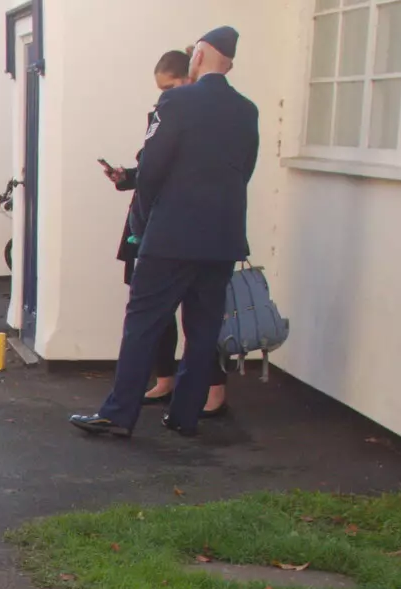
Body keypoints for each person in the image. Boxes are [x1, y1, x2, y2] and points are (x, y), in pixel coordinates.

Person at [71, 26, 257, 440]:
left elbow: (152, 170)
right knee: (203, 326)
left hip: (172, 236)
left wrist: (146, 217)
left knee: (143, 322)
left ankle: (119, 414)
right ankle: (184, 416)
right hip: (222, 238)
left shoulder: (175, 101)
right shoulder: (247, 110)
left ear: (202, 54)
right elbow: (245, 169)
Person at [105, 51, 227, 418]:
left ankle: (213, 388)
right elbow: (153, 168)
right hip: (147, 224)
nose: (163, 96)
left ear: (190, 77)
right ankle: (166, 379)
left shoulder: (208, 122)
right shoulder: (164, 115)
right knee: (155, 315)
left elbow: (181, 174)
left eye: (170, 87)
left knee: (198, 314)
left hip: (176, 230)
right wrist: (126, 177)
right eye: (160, 90)